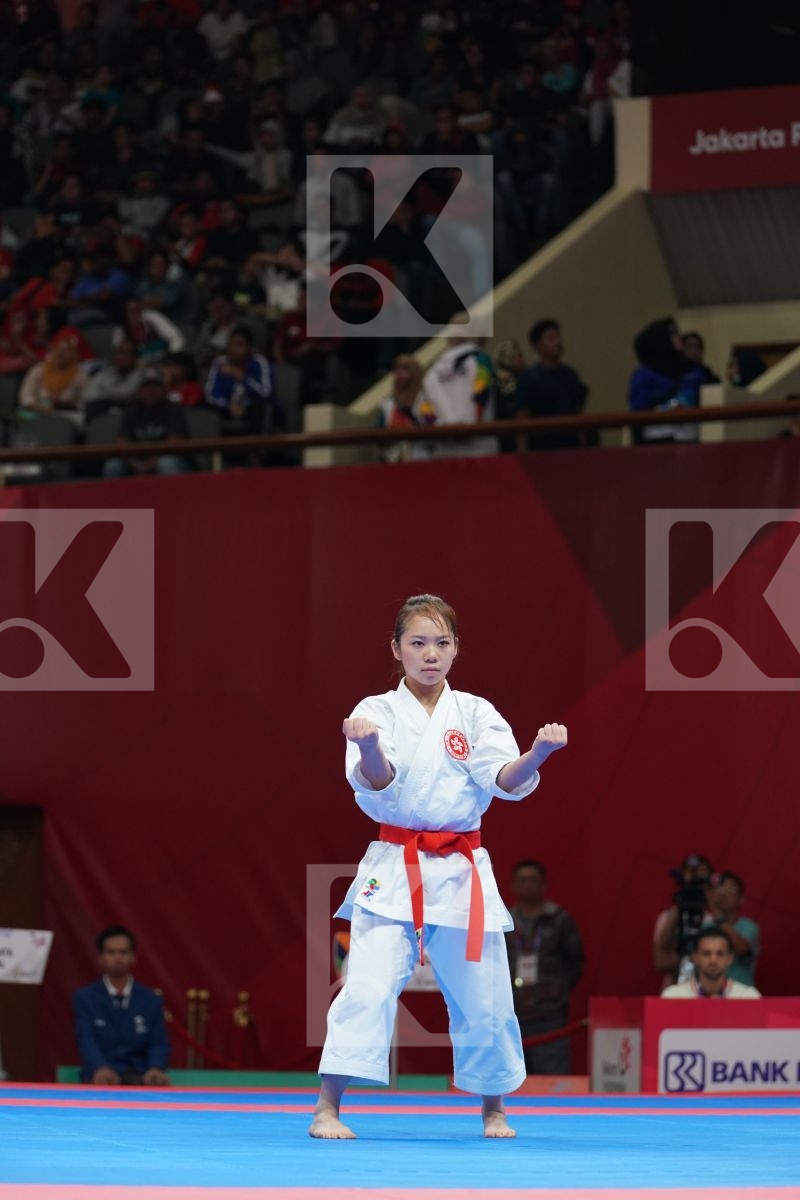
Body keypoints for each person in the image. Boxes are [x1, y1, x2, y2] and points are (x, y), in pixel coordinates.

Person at [310, 593, 568, 1139]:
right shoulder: (375, 712)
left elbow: (504, 779)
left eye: (441, 643)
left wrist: (540, 754)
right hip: (396, 863)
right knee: (366, 986)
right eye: (418, 643)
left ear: (456, 650)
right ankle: (327, 1107)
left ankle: (493, 1108)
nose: (431, 654)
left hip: (461, 867)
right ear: (397, 649)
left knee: (487, 993)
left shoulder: (476, 713)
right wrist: (371, 745)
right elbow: (376, 780)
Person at [505, 859, 584, 1075]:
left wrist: (557, 990)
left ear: (544, 885)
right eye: (523, 880)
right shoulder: (504, 921)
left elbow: (575, 961)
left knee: (552, 1079)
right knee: (513, 1080)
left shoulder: (559, 919)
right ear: (513, 885)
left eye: (533, 880)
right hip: (512, 1012)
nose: (528, 885)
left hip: (551, 1016)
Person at [73, 925, 171, 1084]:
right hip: (99, 1076)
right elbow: (86, 1038)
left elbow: (159, 1042)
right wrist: (100, 1067)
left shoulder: (151, 999)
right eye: (111, 952)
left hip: (139, 1076)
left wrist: (155, 1067)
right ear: (101, 958)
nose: (118, 958)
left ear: (133, 957)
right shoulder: (85, 997)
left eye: (123, 952)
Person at [628, 317, 706, 445]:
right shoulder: (645, 373)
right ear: (661, 339)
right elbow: (637, 407)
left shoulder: (692, 370)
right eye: (673, 334)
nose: (679, 338)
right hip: (656, 438)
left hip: (690, 436)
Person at [516, 319, 589, 450]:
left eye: (558, 337)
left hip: (571, 448)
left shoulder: (571, 375)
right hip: (542, 450)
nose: (558, 342)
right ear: (537, 345)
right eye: (551, 338)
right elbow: (522, 418)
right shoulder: (529, 378)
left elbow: (579, 414)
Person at [103, 367, 189, 478]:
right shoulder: (132, 410)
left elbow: (174, 443)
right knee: (113, 465)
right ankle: (113, 496)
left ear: (163, 389)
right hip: (136, 461)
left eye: (155, 387)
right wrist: (135, 463)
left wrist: (150, 463)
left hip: (167, 459)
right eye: (146, 387)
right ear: (139, 390)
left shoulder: (173, 409)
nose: (150, 391)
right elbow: (121, 444)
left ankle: (175, 495)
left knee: (167, 463)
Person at [652, 853, 714, 990]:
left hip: (707, 992)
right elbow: (660, 960)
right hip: (673, 988)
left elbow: (715, 962)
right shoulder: (667, 917)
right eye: (692, 872)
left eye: (701, 873)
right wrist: (682, 899)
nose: (695, 878)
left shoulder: (711, 920)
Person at [661, 928, 761, 999]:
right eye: (706, 953)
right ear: (695, 957)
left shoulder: (748, 997)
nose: (713, 960)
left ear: (730, 958)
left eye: (720, 954)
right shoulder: (674, 996)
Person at [706, 872, 760, 988]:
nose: (724, 894)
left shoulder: (749, 927)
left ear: (741, 899)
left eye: (731, 890)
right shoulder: (707, 927)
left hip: (741, 994)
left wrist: (718, 916)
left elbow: (742, 947)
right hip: (710, 994)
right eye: (720, 889)